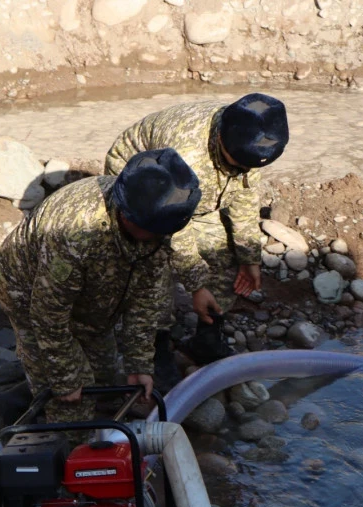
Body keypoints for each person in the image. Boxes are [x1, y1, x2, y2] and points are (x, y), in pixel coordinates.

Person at [0, 148, 202, 429]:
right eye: (154, 233)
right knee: (71, 400)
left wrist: (139, 364)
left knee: (105, 378)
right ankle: (60, 438)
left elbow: (145, 299)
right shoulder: (77, 232)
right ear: (129, 216)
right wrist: (65, 375)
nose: (160, 239)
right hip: (28, 291)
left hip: (91, 291)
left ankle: (11, 403)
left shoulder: (162, 222)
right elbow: (48, 314)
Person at [105, 93, 289, 366]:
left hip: (193, 190)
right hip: (148, 190)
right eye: (236, 165)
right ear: (219, 140)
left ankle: (207, 337)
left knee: (223, 249)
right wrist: (197, 285)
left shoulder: (252, 138)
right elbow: (173, 227)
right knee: (154, 262)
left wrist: (249, 257)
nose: (242, 171)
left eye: (246, 167)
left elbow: (244, 197)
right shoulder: (188, 151)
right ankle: (155, 348)